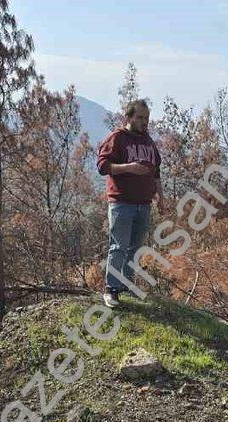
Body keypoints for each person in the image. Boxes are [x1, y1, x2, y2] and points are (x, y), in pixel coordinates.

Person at [96, 99, 162, 309]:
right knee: (118, 246)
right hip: (122, 203)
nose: (145, 122)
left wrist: (161, 197)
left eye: (147, 118)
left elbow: (156, 171)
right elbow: (103, 166)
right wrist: (129, 168)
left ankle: (126, 284)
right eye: (140, 117)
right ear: (129, 117)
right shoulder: (118, 138)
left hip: (144, 204)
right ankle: (111, 289)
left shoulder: (148, 142)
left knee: (135, 248)